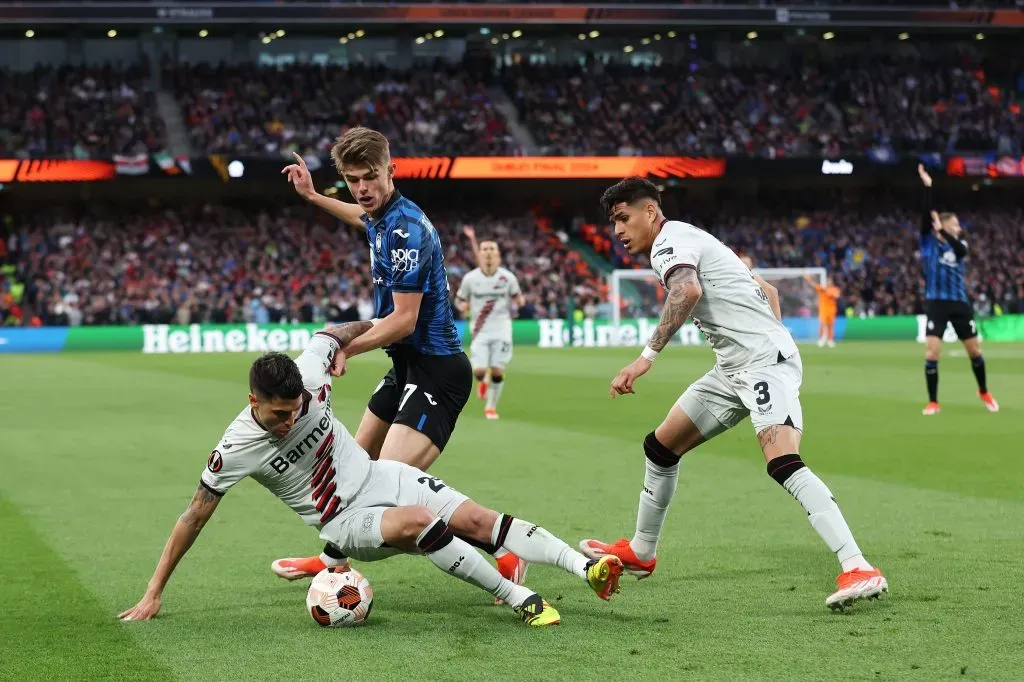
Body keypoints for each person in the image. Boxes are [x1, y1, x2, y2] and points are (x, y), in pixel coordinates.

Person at [117, 327, 624, 627]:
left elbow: (332, 332)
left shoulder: (309, 375)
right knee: (421, 523)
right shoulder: (235, 449)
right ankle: (519, 599)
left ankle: (585, 571)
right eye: (277, 415)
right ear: (254, 402)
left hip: (383, 476)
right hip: (344, 521)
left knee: (478, 518)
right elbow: (193, 517)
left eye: (295, 410)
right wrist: (154, 590)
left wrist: (348, 346)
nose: (289, 421)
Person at [579, 177, 887, 611]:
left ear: (650, 212)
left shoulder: (670, 242)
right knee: (661, 448)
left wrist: (645, 357)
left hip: (760, 365)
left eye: (623, 218)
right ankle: (642, 552)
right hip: (732, 369)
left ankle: (858, 565)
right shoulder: (691, 238)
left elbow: (687, 291)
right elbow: (769, 291)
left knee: (781, 461)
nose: (618, 231)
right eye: (613, 223)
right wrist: (768, 335)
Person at [277, 127, 527, 588]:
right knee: (349, 469)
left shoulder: (407, 230)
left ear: (391, 171)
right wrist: (313, 196)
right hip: (406, 369)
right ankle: (334, 560)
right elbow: (361, 216)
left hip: (437, 372)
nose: (362, 189)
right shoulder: (379, 214)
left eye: (370, 177)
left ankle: (501, 545)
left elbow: (403, 320)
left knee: (388, 492)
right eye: (353, 180)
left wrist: (341, 346)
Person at [916, 164, 998, 415]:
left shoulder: (958, 244)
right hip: (936, 303)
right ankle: (933, 402)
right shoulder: (929, 244)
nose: (959, 227)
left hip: (959, 303)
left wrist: (944, 231)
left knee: (974, 351)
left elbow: (962, 250)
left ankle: (983, 390)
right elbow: (924, 216)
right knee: (932, 352)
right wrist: (928, 186)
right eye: (956, 224)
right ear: (947, 224)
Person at [457, 225, 525, 420]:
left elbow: (518, 297)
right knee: (478, 371)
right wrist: (462, 306)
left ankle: (491, 407)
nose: (487, 253)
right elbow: (460, 299)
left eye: (491, 249)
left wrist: (520, 302)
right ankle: (482, 381)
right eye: (484, 249)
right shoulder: (470, 279)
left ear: (498, 255)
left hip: (502, 328)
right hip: (480, 330)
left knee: (497, 370)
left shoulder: (508, 278)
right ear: (479, 254)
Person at [805, 273, 840, 348]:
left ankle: (830, 340)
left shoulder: (834, 289)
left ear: (832, 282)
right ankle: (823, 338)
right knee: (823, 324)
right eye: (827, 281)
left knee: (830, 325)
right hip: (824, 309)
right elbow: (814, 285)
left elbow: (837, 296)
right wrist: (809, 280)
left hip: (831, 310)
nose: (828, 282)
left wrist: (830, 293)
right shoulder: (822, 289)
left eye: (829, 281)